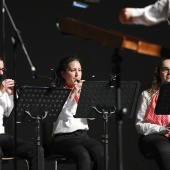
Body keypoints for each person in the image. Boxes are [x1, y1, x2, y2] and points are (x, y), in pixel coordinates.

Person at [51, 55, 104, 170]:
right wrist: (73, 92)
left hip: (83, 136)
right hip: (63, 138)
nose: (77, 74)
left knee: (102, 154)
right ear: (63, 74)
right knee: (83, 155)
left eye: (79, 70)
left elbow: (91, 117)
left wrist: (88, 96)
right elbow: (66, 116)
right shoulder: (57, 92)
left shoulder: (82, 93)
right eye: (72, 70)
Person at [0, 57, 44, 170]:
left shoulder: (2, 91)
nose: (1, 73)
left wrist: (11, 95)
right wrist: (0, 91)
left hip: (2, 137)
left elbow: (8, 112)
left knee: (36, 150)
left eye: (2, 69)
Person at [136, 57, 170, 170]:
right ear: (159, 72)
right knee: (164, 149)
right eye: (165, 69)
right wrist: (162, 129)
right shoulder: (147, 95)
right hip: (152, 136)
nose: (169, 73)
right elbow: (139, 125)